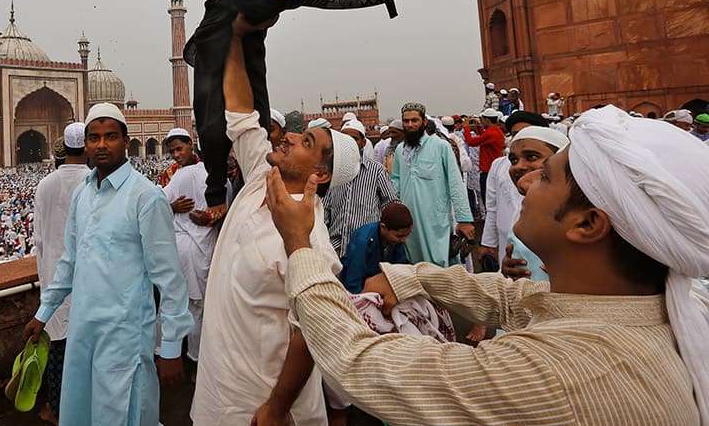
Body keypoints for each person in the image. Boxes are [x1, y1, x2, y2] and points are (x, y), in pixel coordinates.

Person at [264, 104, 707, 424]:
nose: (525, 180)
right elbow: (513, 297)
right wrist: (409, 275)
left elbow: (362, 362)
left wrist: (300, 245)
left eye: (546, 175)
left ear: (588, 224)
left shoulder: (561, 371)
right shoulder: (629, 308)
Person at [143, 0, 442, 220]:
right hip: (215, 42)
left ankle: (255, 186)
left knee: (258, 118)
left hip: (250, 46)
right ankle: (216, 190)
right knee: (210, 121)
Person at [191, 14, 359, 426]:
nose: (288, 136)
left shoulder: (312, 242)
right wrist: (233, 35)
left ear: (319, 175)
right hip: (219, 388)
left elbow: (312, 335)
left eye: (307, 143)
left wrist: (277, 407)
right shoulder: (258, 185)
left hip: (265, 405)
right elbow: (243, 114)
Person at [23, 103, 192, 426]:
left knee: (125, 412)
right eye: (95, 137)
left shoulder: (146, 197)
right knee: (83, 412)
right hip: (83, 330)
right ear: (85, 144)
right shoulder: (82, 196)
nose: (102, 145)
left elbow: (170, 279)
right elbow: (69, 262)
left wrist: (170, 347)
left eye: (111, 136)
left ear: (126, 141)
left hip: (125, 337)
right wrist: (44, 313)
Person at [30, 122, 91, 424]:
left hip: (53, 275)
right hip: (89, 279)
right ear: (89, 146)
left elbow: (39, 238)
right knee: (86, 350)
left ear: (63, 149)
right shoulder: (94, 181)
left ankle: (55, 408)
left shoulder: (45, 184)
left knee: (57, 349)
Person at [391, 103, 474, 267]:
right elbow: (396, 181)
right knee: (414, 265)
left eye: (414, 120)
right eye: (406, 121)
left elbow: (455, 183)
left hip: (435, 219)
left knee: (440, 264)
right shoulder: (400, 150)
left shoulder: (441, 147)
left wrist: (464, 219)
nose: (410, 125)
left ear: (423, 121)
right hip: (410, 220)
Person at [160, 130, 217, 369]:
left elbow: (153, 204)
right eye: (172, 151)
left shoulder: (182, 175)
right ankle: (194, 359)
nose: (175, 155)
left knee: (173, 303)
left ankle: (166, 353)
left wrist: (167, 205)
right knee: (198, 307)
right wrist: (171, 207)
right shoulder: (215, 176)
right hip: (201, 248)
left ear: (191, 146)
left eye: (179, 149)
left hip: (181, 248)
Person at [498, 126, 570, 283]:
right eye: (513, 160)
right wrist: (506, 270)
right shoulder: (521, 210)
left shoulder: (576, 210)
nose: (518, 166)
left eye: (531, 157)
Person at [480, 111, 550, 267]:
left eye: (527, 133)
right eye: (515, 134)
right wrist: (488, 243)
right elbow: (492, 208)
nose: (520, 138)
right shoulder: (499, 165)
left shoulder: (555, 167)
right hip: (507, 245)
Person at [322, 118, 398, 256]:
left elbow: (391, 203)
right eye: (345, 138)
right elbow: (325, 209)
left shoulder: (376, 171)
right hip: (337, 247)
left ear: (363, 142)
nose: (349, 142)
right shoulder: (333, 171)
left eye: (354, 138)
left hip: (368, 246)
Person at [338, 202, 412, 294]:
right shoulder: (362, 241)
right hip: (357, 291)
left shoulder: (396, 240)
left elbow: (400, 269)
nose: (404, 240)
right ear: (383, 227)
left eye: (407, 235)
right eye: (400, 236)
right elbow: (353, 281)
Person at [463, 108, 505, 199]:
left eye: (482, 119)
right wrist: (479, 127)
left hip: (488, 171)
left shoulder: (491, 133)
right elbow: (484, 138)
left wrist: (466, 128)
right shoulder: (496, 131)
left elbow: (471, 142)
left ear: (487, 120)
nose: (481, 121)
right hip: (492, 169)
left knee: (487, 199)